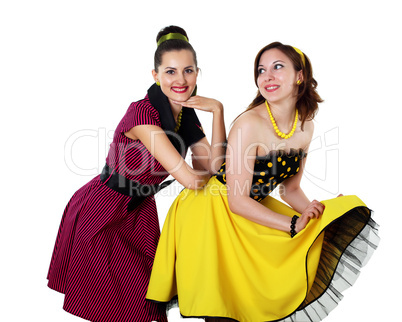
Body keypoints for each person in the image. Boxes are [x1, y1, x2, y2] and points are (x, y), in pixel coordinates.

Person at [146, 42, 379, 321]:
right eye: (261, 70)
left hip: (248, 207)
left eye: (278, 67)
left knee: (256, 296)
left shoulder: (305, 126)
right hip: (210, 211)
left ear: (300, 75)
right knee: (223, 307)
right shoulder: (248, 124)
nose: (267, 76)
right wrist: (293, 225)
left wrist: (317, 215)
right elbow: (237, 200)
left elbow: (291, 190)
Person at [47, 25, 226, 322]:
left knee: (146, 301)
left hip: (139, 210)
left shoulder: (186, 114)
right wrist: (204, 171)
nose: (180, 80)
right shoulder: (142, 114)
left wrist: (218, 111)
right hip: (103, 208)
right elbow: (194, 179)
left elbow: (215, 167)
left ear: (197, 73)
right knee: (115, 305)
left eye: (188, 71)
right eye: (170, 72)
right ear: (155, 76)